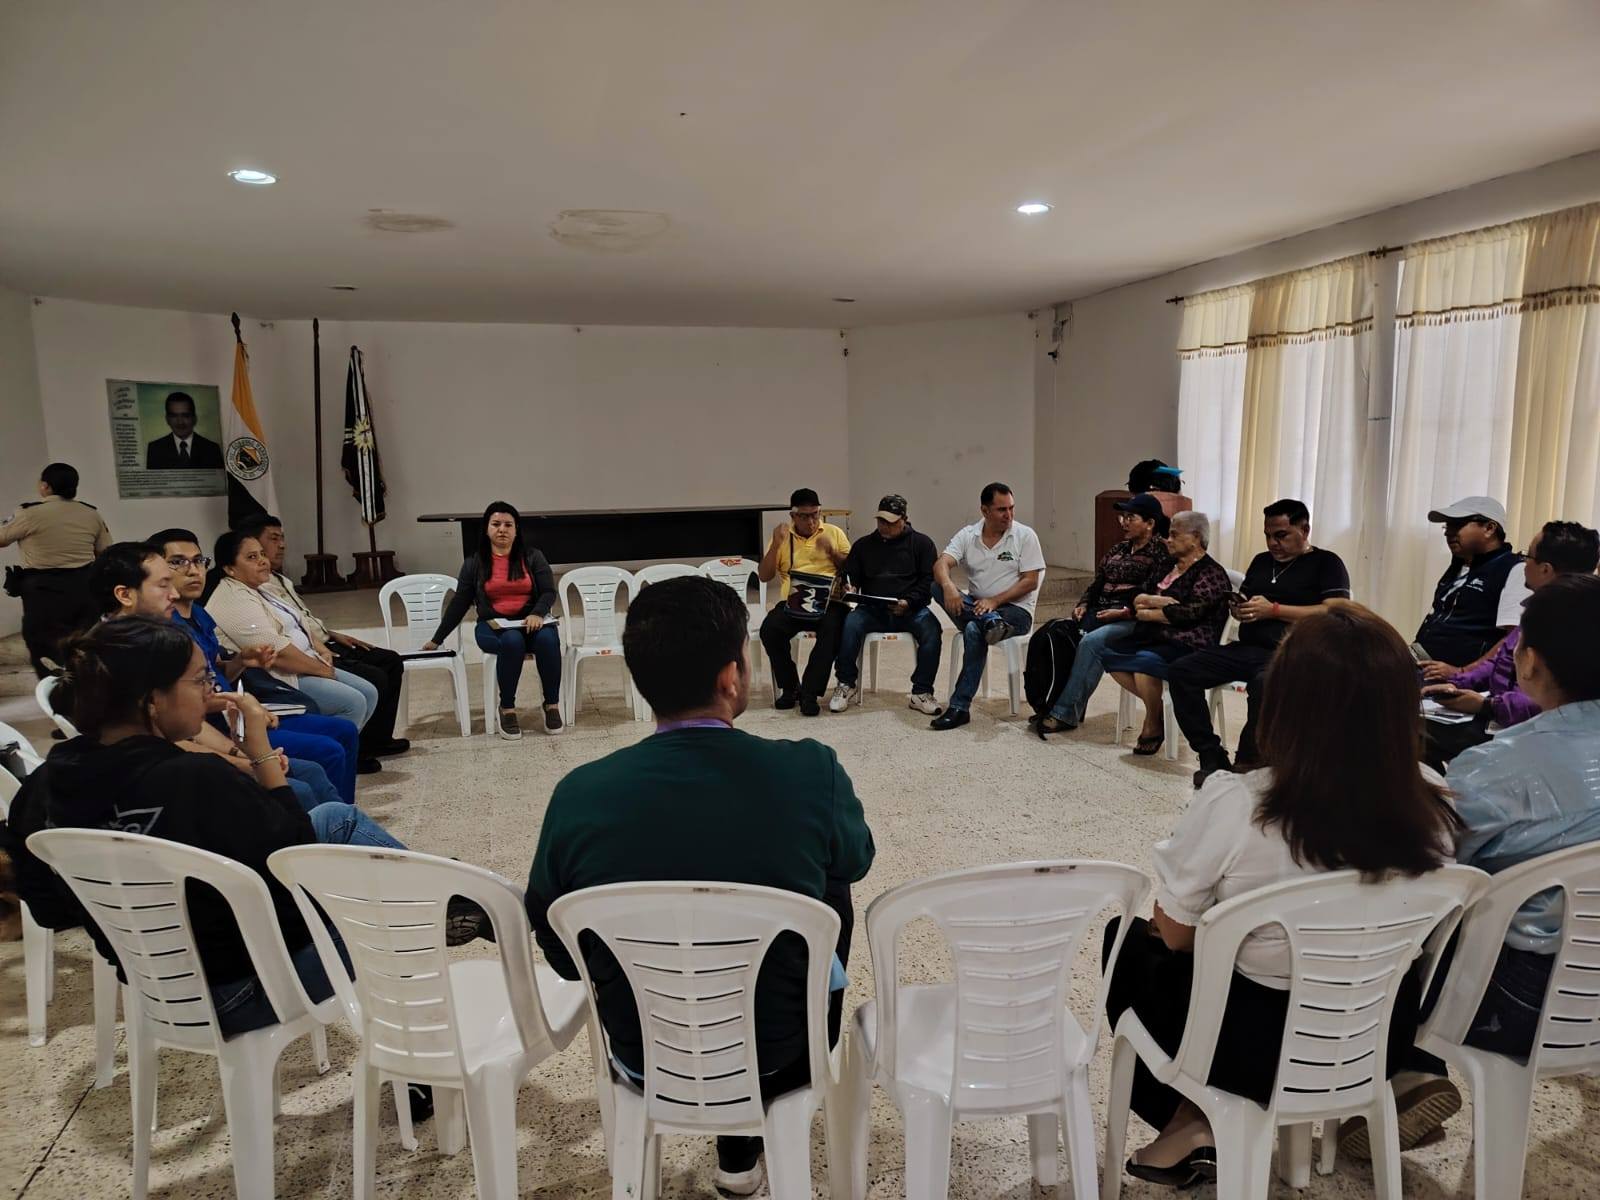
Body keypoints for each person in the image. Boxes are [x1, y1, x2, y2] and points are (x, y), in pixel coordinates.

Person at [525, 576, 874, 1196]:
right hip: (779, 1052)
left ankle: (729, 1148)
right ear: (731, 677)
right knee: (829, 884)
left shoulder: (577, 795)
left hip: (644, 1051)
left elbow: (559, 947)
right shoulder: (808, 770)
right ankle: (744, 1147)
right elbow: (859, 857)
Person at [1102, 603, 1460, 1188]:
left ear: (1283, 700)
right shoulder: (1436, 800)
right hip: (1376, 1035)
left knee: (1128, 943)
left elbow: (1177, 934)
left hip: (1251, 1048)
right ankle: (1202, 1120)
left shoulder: (1240, 802)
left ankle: (1192, 1118)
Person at [3, 618, 493, 1044]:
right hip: (248, 986)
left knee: (334, 818)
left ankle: (453, 900)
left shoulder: (44, 785)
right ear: (152, 701)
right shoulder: (194, 778)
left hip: (157, 989)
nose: (210, 692)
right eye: (199, 681)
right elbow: (294, 858)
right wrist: (258, 750)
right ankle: (424, 1030)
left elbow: (47, 910)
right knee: (385, 906)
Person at [1345, 574, 1600, 1160]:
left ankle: (1399, 1071)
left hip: (1526, 1002)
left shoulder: (1495, 767)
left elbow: (1424, 872)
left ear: (1529, 661)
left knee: (1394, 919)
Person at [83, 541, 343, 813]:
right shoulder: (112, 656)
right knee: (300, 789)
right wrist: (250, 762)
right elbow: (168, 742)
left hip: (189, 750)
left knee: (311, 772)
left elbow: (192, 721)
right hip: (161, 774)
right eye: (163, 585)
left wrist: (242, 753)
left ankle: (338, 832)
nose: (174, 593)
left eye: (198, 561)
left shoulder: (152, 639)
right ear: (125, 595)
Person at [150, 527, 367, 797]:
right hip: (217, 725)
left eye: (198, 561)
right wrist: (245, 708)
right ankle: (328, 817)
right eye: (178, 562)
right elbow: (181, 703)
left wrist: (242, 660)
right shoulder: (163, 631)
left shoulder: (200, 615)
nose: (193, 571)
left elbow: (219, 671)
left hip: (236, 712)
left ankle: (342, 813)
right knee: (326, 751)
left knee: (344, 730)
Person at [1166, 499, 1351, 787]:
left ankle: (1249, 761)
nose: (1273, 543)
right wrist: (1240, 609)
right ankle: (1211, 754)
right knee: (1181, 671)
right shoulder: (1261, 562)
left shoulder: (1326, 563)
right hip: (1249, 648)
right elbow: (1248, 600)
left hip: (1296, 652)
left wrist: (1274, 610)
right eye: (1268, 535)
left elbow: (1336, 612)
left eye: (1281, 535)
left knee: (1264, 683)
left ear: (1304, 530)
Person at [1043, 511, 1230, 752]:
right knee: (1109, 655)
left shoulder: (1211, 573)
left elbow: (1189, 613)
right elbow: (1137, 595)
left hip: (1189, 642)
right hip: (1155, 635)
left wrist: (1149, 612)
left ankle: (1153, 723)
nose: (1168, 540)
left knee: (1143, 665)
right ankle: (1157, 710)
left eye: (1174, 535)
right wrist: (1158, 602)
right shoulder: (1168, 565)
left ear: (1195, 538)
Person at [1419, 520, 1599, 768]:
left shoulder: (1572, 624)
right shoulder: (1539, 610)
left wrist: (1487, 705)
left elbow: (1553, 702)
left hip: (1524, 730)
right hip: (1500, 714)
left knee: (1409, 732)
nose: (1523, 563)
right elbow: (1499, 661)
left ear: (1545, 569)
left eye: (1527, 556)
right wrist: (1456, 683)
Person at [235, 513, 409, 758]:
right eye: (273, 539)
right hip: (306, 656)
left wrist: (331, 634)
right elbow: (281, 638)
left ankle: (377, 740)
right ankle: (360, 749)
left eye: (282, 538)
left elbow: (301, 619)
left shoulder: (279, 579)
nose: (281, 545)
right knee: (374, 676)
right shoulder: (256, 587)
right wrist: (321, 657)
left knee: (389, 660)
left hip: (322, 642)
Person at [207, 531, 382, 736]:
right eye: (252, 557)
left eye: (262, 554)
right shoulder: (233, 599)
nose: (263, 561)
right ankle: (329, 749)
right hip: (279, 676)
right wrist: (322, 670)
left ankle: (347, 747)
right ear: (230, 569)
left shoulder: (262, 588)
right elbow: (276, 652)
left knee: (369, 692)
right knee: (353, 703)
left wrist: (322, 649)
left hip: (306, 662)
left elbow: (299, 622)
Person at [1035, 494, 1174, 733]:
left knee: (1092, 642)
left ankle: (1065, 713)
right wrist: (1083, 604)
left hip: (1134, 620)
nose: (1124, 522)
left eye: (1131, 517)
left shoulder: (1160, 554)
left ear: (1150, 523)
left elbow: (1151, 595)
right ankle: (1049, 705)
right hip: (1100, 613)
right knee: (1059, 636)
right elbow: (1097, 583)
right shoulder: (1118, 549)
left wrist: (1123, 613)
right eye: (1123, 517)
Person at [423, 501, 562, 738]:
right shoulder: (474, 563)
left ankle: (552, 705)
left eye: (508, 525)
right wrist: (437, 639)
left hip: (530, 622)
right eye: (496, 524)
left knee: (548, 639)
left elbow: (548, 591)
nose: (502, 529)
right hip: (493, 627)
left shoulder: (533, 557)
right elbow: (460, 603)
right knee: (512, 641)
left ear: (516, 530)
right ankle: (507, 708)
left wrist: (537, 612)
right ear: (487, 529)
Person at [929, 482, 1046, 730]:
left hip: (1015, 612)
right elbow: (941, 563)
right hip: (978, 608)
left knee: (973, 630)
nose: (1009, 515)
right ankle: (989, 621)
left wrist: (994, 602)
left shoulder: (1025, 535)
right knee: (937, 586)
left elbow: (1030, 581)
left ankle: (959, 708)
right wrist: (949, 587)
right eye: (1002, 509)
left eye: (1011, 508)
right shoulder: (968, 535)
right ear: (985, 510)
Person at [826, 494, 943, 715]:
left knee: (932, 629)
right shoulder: (863, 546)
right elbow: (850, 575)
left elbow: (928, 582)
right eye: (881, 521)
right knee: (850, 623)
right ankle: (846, 683)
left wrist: (909, 602)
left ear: (904, 520)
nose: (884, 526)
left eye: (890, 522)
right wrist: (849, 587)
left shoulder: (922, 544)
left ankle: (921, 691)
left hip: (910, 609)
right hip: (872, 609)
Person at [0, 463, 111, 675]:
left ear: (45, 486)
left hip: (43, 591)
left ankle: (55, 689)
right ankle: (86, 684)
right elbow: (104, 551)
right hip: (84, 587)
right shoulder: (91, 513)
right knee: (85, 643)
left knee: (44, 646)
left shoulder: (28, 513)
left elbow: (2, 539)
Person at [756, 488, 851, 716]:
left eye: (815, 514)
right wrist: (776, 545)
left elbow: (852, 568)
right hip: (793, 601)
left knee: (832, 631)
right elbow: (764, 576)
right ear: (793, 516)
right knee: (770, 629)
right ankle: (790, 688)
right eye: (804, 516)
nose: (811, 521)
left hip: (828, 601)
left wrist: (832, 553)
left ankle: (810, 693)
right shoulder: (782, 537)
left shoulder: (834, 532)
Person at [1414, 496, 1530, 671]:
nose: (1448, 533)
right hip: (1422, 663)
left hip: (1458, 678)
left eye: (1457, 525)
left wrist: (1464, 672)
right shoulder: (1460, 564)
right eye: (1447, 526)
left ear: (1489, 528)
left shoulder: (1514, 569)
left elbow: (1515, 638)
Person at [144, 390, 224, 469]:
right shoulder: (155, 449)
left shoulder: (212, 449)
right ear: (167, 419)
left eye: (186, 416)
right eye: (174, 416)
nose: (180, 422)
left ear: (194, 418)